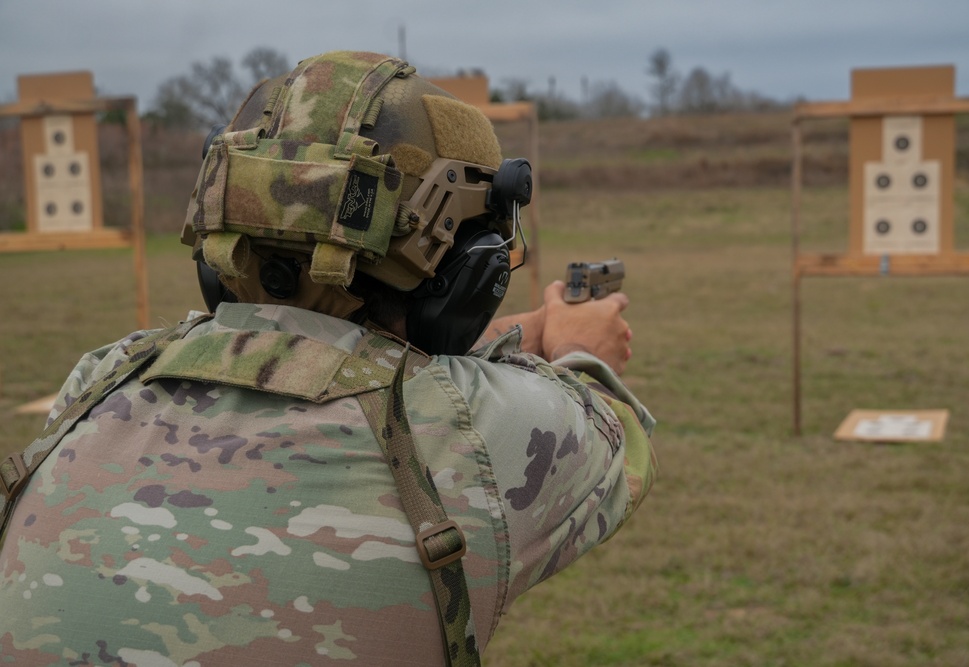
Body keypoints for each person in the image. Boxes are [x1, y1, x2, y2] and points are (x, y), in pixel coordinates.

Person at [0, 50, 656, 666]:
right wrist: (575, 343)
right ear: (464, 277)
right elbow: (606, 430)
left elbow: (309, 345)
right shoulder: (473, 435)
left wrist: (520, 332)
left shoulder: (100, 379)